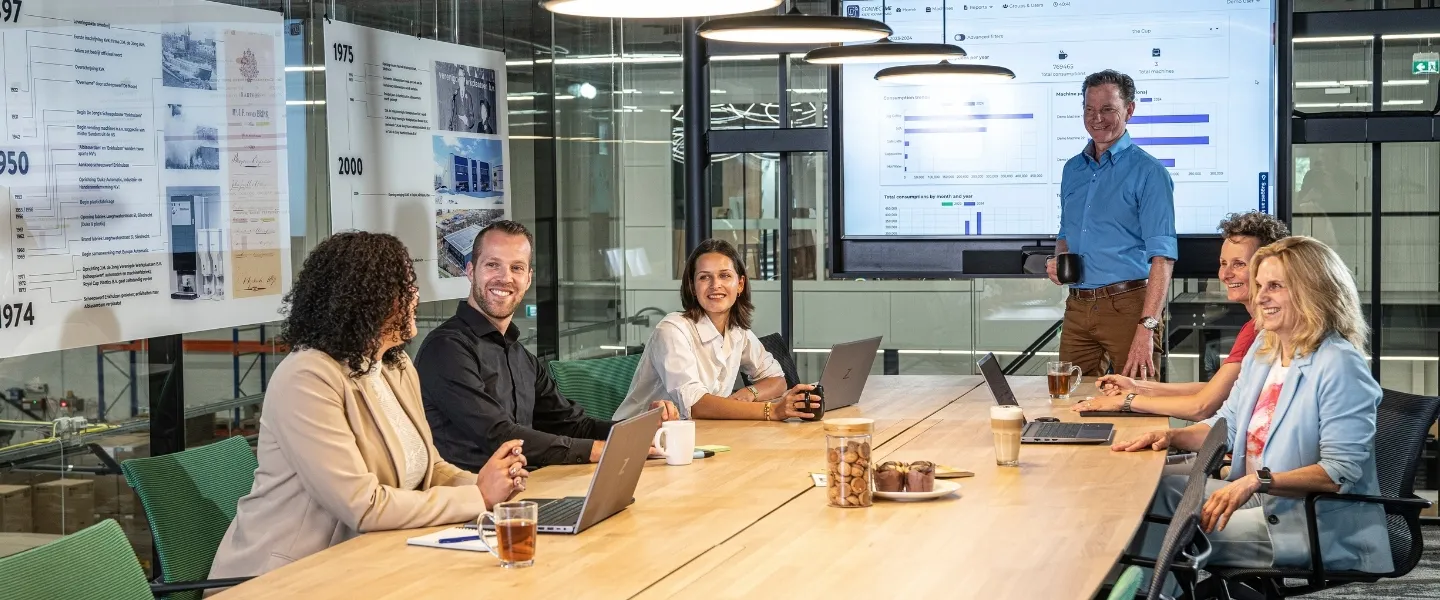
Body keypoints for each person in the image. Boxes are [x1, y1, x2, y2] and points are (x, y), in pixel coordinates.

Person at [209, 232, 529, 581]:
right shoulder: (306, 378)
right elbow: (363, 506)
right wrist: (478, 497)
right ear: (366, 300)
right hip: (287, 577)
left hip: (370, 561)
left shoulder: (395, 366)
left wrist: (488, 487)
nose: (415, 298)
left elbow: (430, 469)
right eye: (404, 289)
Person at [1114, 236, 1393, 573]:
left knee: (1159, 536)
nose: (1261, 297)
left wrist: (1256, 480)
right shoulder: (1266, 346)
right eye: (1260, 285)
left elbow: (1338, 473)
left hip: (1308, 525)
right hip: (1257, 500)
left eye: (1275, 286)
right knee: (1147, 497)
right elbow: (1227, 425)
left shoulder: (1339, 363)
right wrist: (1171, 438)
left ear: (1312, 291)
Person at [415, 220, 678, 470]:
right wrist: (606, 449)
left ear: (528, 278)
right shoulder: (447, 349)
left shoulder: (519, 355)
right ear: (471, 271)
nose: (505, 278)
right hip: (470, 504)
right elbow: (500, 436)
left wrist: (642, 430)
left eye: (516, 268)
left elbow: (573, 425)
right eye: (493, 265)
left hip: (529, 488)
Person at [1073, 211, 1289, 420]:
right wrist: (1138, 387)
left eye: (1239, 264)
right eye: (1223, 263)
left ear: (1267, 267)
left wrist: (1126, 401)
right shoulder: (1255, 328)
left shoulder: (1268, 330)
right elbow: (1218, 390)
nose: (1226, 274)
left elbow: (1202, 406)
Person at [1046, 69, 1177, 379]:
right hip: (1078, 307)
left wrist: (1147, 328)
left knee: (1136, 401)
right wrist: (1059, 259)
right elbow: (1066, 233)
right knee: (1068, 402)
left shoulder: (1149, 172)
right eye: (1089, 109)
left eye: (1107, 109)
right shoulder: (1072, 169)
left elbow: (1163, 257)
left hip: (1129, 307)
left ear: (1129, 110)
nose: (1097, 118)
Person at [613, 239, 819, 421]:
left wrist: (749, 393)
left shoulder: (738, 331)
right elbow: (695, 405)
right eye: (704, 277)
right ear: (693, 287)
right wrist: (771, 411)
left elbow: (777, 380)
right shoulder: (672, 330)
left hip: (698, 435)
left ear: (740, 285)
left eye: (724, 275)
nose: (715, 285)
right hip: (638, 442)